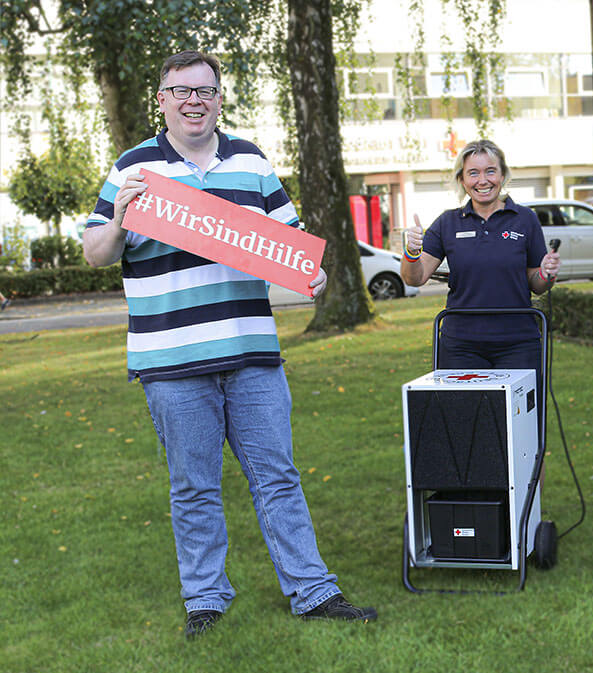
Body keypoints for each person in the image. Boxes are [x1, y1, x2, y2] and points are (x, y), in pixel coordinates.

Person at [82, 50, 376, 639]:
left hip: (252, 356)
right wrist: (119, 218)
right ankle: (205, 598)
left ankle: (314, 592)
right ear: (161, 99)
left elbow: (289, 244)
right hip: (171, 361)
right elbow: (97, 253)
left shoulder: (252, 161)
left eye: (205, 90)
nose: (194, 100)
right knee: (193, 485)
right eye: (180, 90)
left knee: (278, 477)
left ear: (220, 97)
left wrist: (310, 276)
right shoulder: (133, 167)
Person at [400, 139, 561, 397]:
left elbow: (537, 284)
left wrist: (545, 273)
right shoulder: (447, 222)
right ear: (462, 180)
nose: (482, 180)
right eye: (473, 173)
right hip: (461, 344)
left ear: (502, 175)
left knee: (519, 426)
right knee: (464, 423)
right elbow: (415, 278)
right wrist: (411, 251)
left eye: (490, 171)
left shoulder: (525, 219)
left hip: (517, 342)